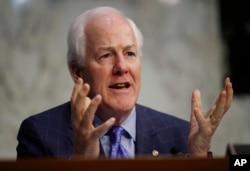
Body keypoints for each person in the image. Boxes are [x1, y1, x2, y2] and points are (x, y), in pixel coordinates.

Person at [16, 6, 233, 159]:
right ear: (77, 70)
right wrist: (82, 162)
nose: (122, 67)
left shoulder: (180, 135)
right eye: (106, 56)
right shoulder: (40, 134)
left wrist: (198, 161)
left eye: (130, 53)